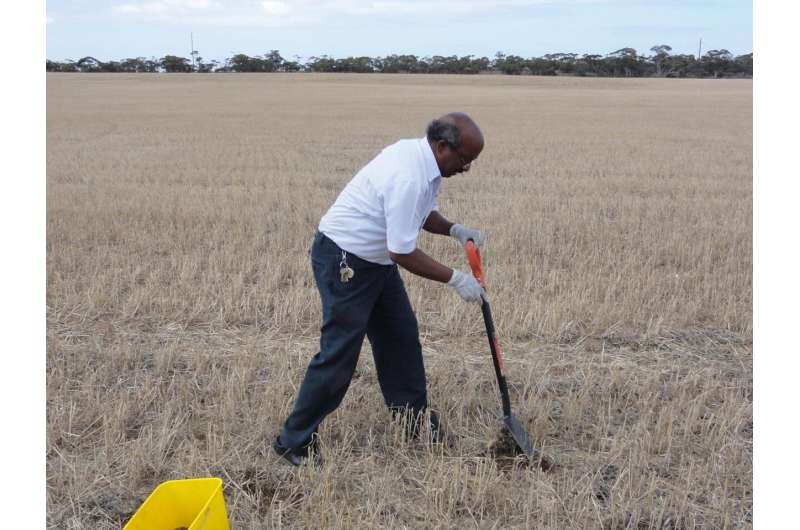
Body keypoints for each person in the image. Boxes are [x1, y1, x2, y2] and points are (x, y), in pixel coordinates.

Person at [274, 112, 486, 466]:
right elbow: (402, 250)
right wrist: (455, 279)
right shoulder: (408, 174)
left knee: (400, 337)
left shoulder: (425, 163)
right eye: (464, 159)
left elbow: (422, 214)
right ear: (442, 146)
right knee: (340, 352)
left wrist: (453, 229)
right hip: (345, 260)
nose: (466, 168)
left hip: (375, 263)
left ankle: (412, 421)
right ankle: (292, 441)